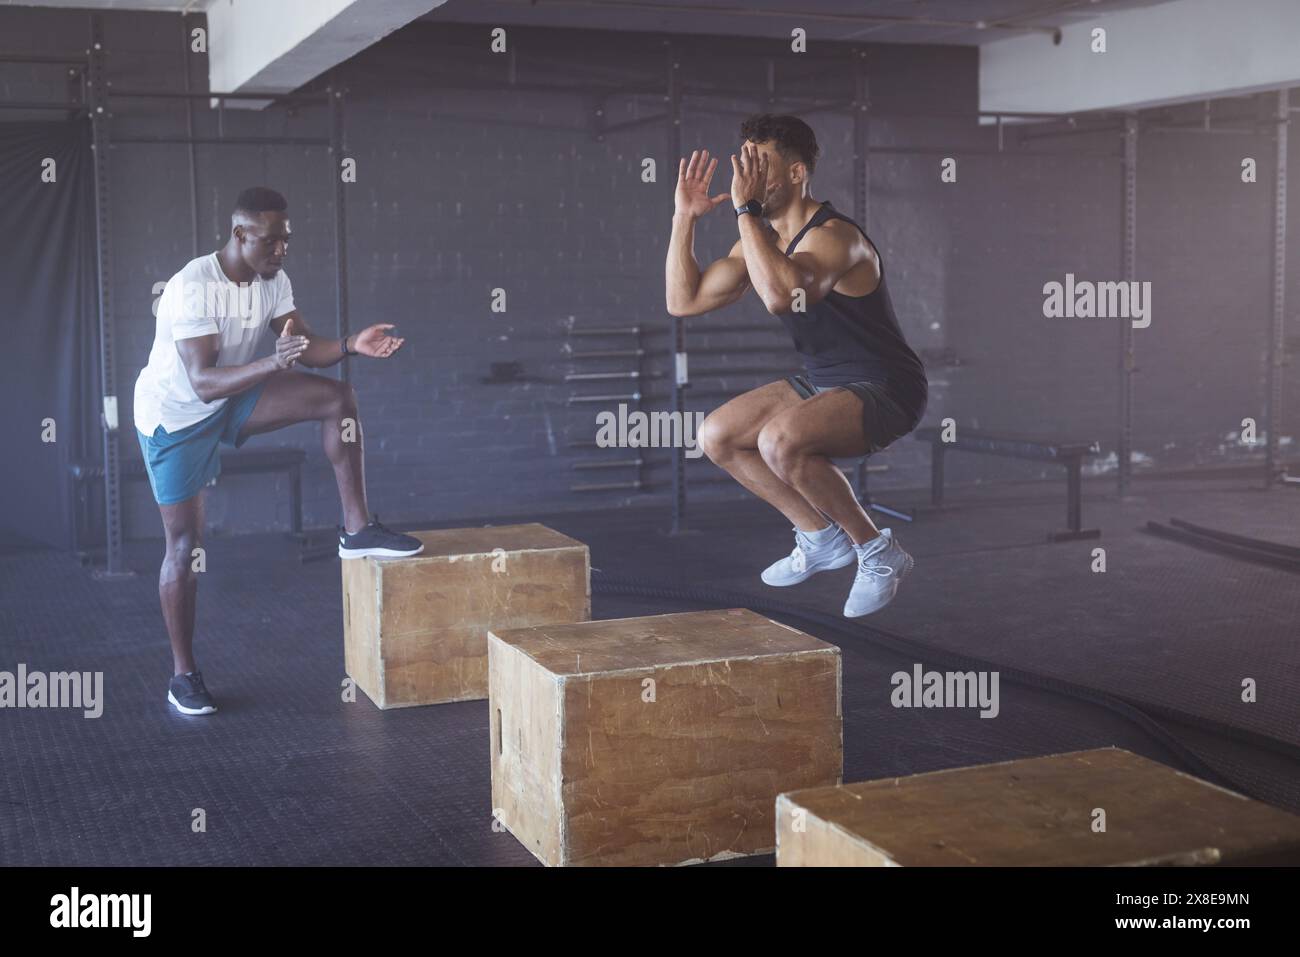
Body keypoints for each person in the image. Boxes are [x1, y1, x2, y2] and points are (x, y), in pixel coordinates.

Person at [133, 186, 422, 715]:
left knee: (338, 398)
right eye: (271, 241)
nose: (281, 250)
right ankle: (183, 675)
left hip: (233, 395)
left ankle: (356, 531)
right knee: (184, 546)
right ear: (240, 234)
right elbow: (201, 383)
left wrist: (350, 344)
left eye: (286, 240)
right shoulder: (192, 286)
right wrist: (272, 363)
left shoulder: (273, 280)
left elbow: (305, 349)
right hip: (175, 418)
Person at [665, 114, 928, 618]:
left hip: (887, 386)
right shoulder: (756, 242)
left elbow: (785, 295)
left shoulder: (836, 237)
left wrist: (744, 211)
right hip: (825, 381)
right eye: (742, 164)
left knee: (779, 441)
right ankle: (820, 538)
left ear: (795, 173)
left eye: (758, 165)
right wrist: (685, 218)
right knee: (716, 435)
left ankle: (877, 551)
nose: (744, 177)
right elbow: (684, 300)